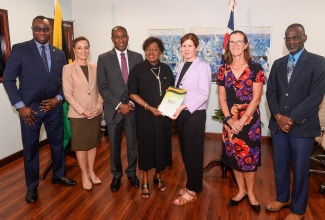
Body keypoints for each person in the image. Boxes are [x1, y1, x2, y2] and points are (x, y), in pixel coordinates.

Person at [2, 15, 76, 204]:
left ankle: (58, 175)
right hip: (30, 111)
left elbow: (65, 81)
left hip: (53, 107)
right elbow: (9, 80)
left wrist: (58, 99)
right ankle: (32, 186)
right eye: (38, 29)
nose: (42, 32)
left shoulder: (58, 53)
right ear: (32, 30)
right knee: (31, 150)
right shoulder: (20, 50)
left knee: (58, 145)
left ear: (50, 31)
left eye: (45, 29)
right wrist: (20, 107)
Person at [266, 23, 325, 220]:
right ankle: (282, 198)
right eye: (288, 38)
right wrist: (277, 116)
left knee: (300, 171)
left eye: (296, 37)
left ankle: (298, 210)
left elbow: (316, 96)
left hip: (303, 126)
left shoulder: (318, 62)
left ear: (304, 38)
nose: (291, 41)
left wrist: (290, 118)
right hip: (278, 126)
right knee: (280, 166)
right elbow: (271, 92)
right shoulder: (278, 64)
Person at [216, 30, 266, 213]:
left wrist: (242, 120)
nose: (235, 45)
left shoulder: (256, 68)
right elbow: (221, 98)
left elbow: (257, 98)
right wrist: (229, 119)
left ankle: (251, 194)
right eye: (232, 42)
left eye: (239, 42)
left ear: (246, 45)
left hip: (250, 122)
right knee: (234, 157)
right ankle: (242, 191)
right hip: (230, 122)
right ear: (229, 46)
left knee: (249, 159)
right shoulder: (223, 69)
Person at [97, 26, 143, 192]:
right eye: (117, 37)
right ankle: (116, 176)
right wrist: (118, 105)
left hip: (132, 109)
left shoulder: (138, 57)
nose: (121, 40)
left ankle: (131, 173)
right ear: (112, 39)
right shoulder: (103, 58)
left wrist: (130, 104)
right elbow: (102, 86)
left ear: (128, 37)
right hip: (113, 110)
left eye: (123, 36)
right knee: (114, 146)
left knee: (132, 144)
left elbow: (139, 84)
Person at [128, 37, 174, 199]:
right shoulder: (137, 69)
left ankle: (158, 176)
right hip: (145, 115)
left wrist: (171, 109)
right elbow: (132, 93)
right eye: (147, 48)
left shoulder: (167, 69)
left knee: (161, 145)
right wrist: (148, 107)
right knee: (146, 147)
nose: (150, 52)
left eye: (154, 49)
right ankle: (145, 180)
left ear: (160, 51)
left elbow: (173, 92)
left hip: (163, 116)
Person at [172, 33, 211, 206]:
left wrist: (182, 107)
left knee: (193, 154)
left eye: (189, 46)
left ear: (197, 47)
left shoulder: (203, 67)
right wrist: (172, 104)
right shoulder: (181, 65)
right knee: (186, 152)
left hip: (194, 115)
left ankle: (192, 191)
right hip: (182, 115)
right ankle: (192, 185)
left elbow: (204, 94)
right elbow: (178, 90)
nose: (186, 49)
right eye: (184, 46)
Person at [62, 37, 103, 190]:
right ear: (74, 49)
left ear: (89, 49)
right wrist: (83, 111)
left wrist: (99, 106)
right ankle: (84, 174)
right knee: (80, 146)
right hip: (78, 114)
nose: (83, 51)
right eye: (79, 48)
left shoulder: (95, 67)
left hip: (95, 112)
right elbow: (68, 94)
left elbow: (101, 89)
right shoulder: (68, 68)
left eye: (86, 47)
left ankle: (92, 171)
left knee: (92, 144)